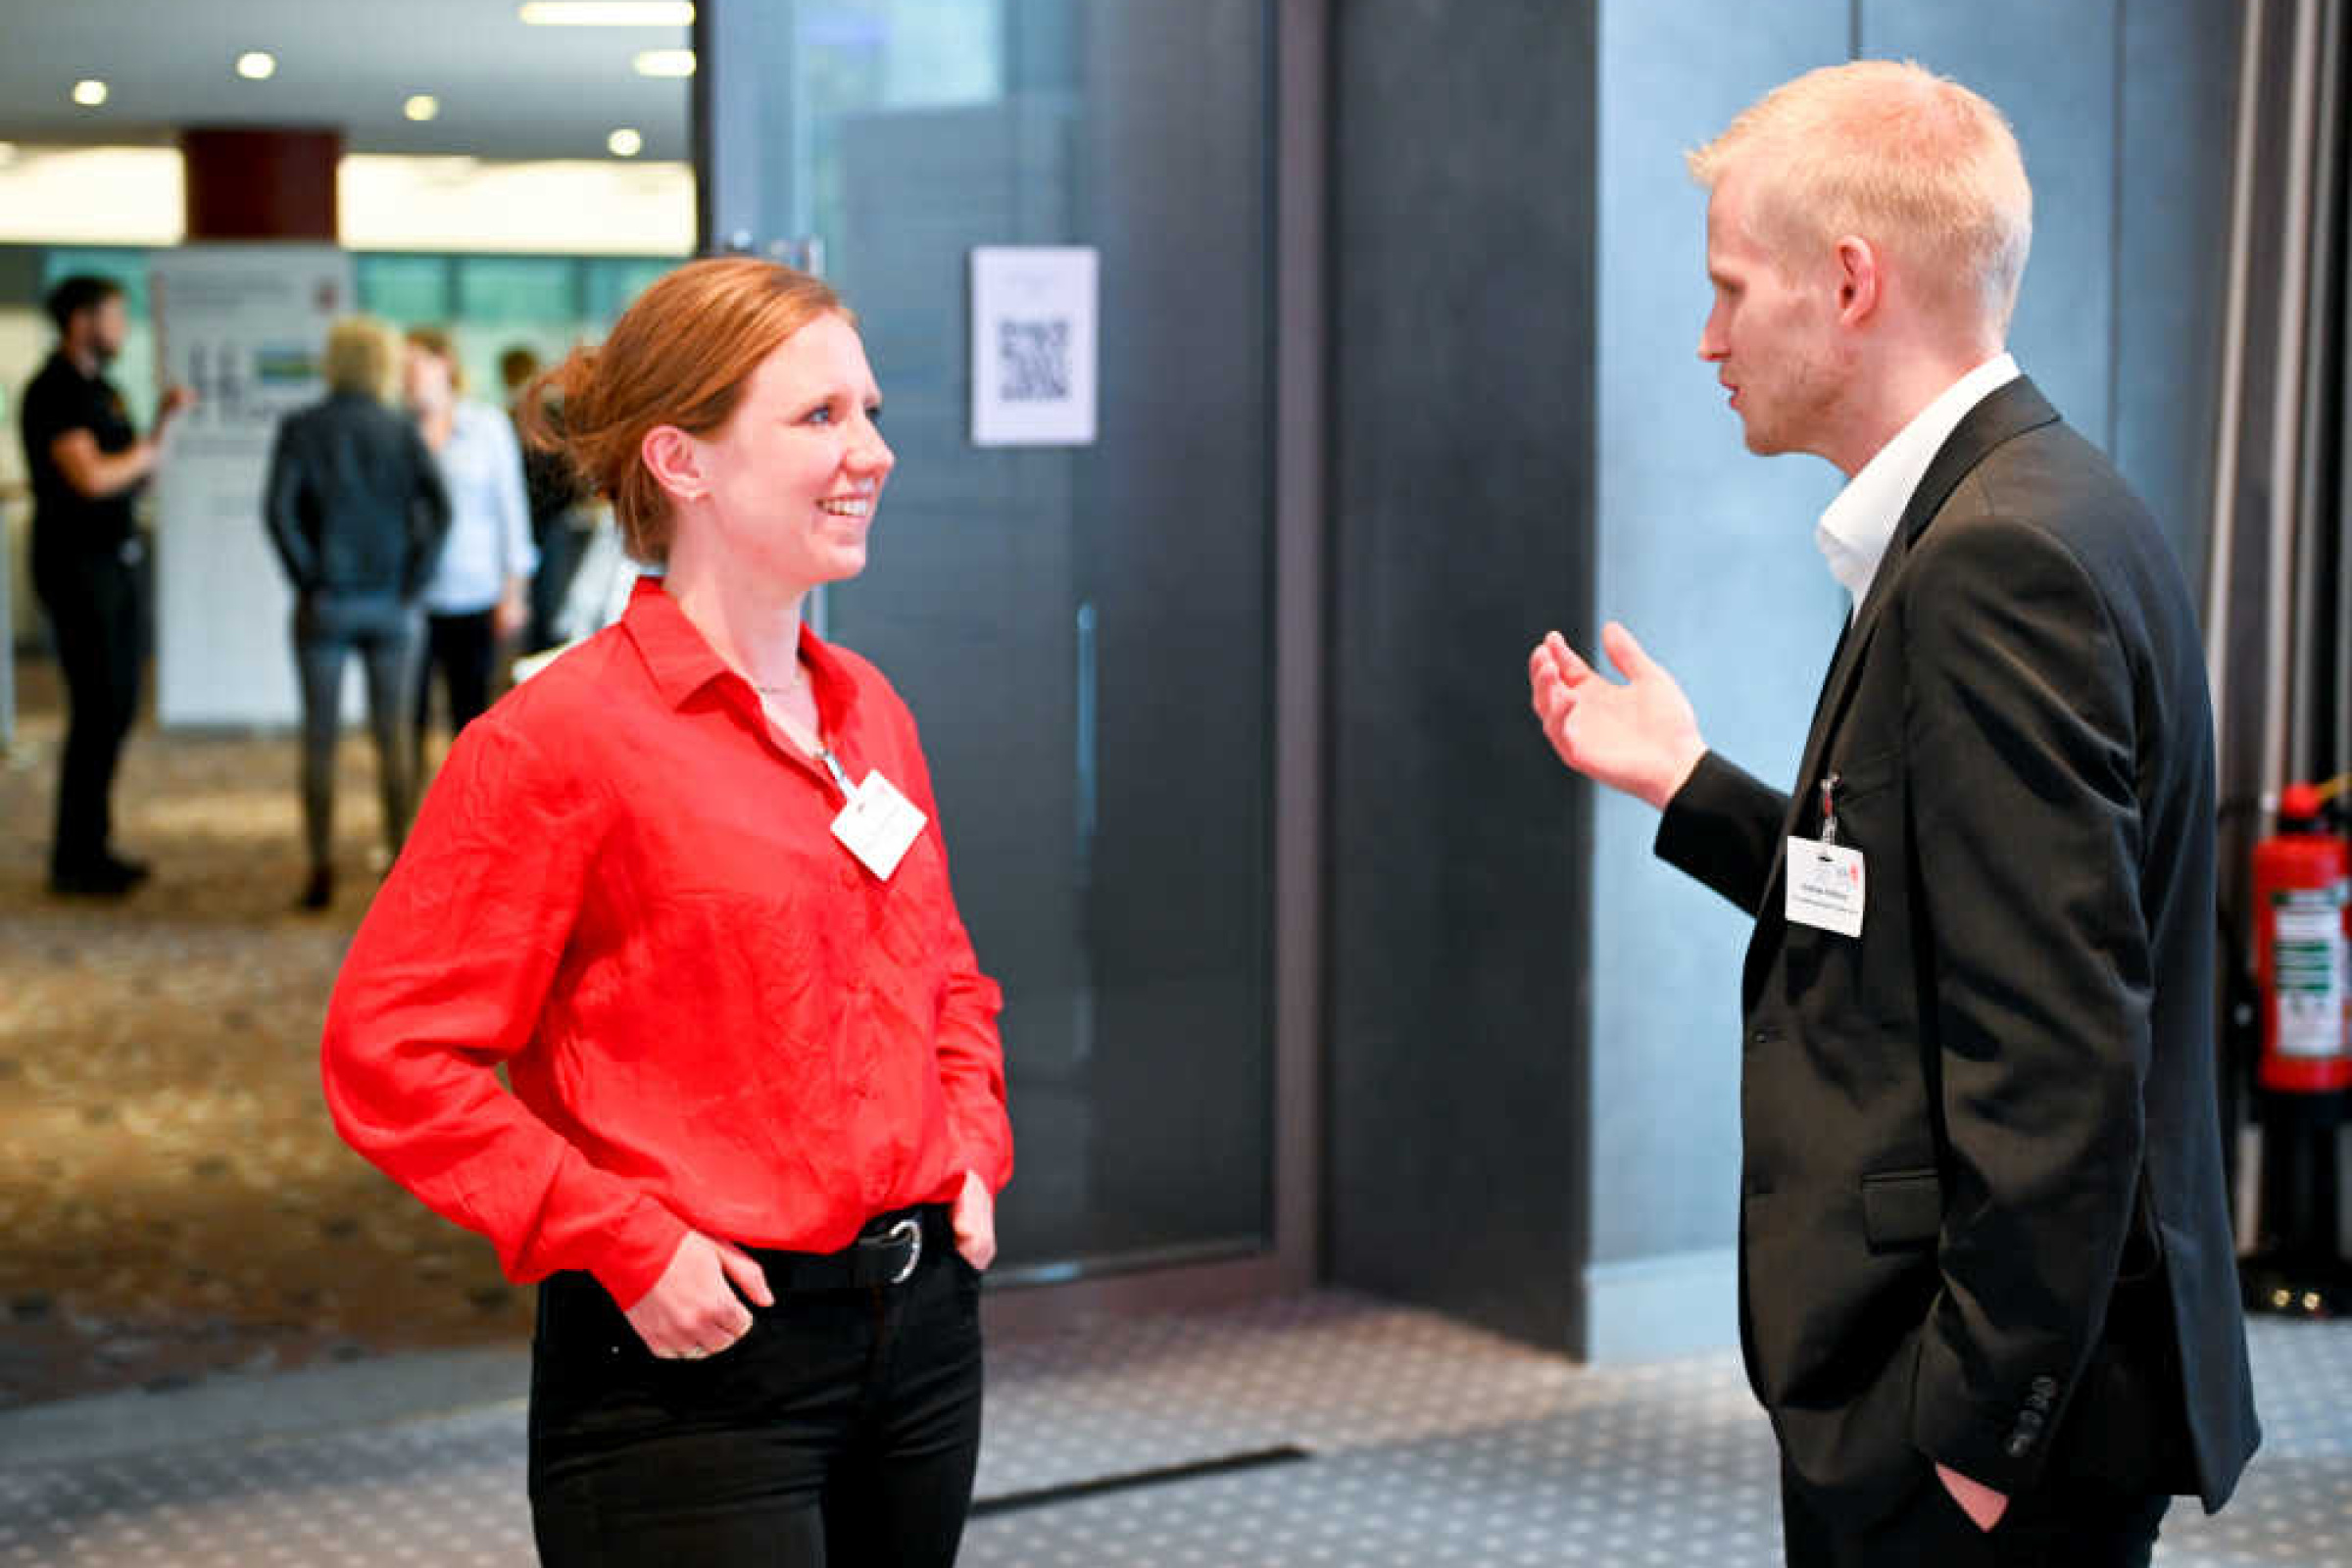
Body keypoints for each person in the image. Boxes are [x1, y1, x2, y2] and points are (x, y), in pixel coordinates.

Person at [1527, 61, 2259, 1566]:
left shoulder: (1998, 564)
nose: (1709, 336)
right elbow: (1913, 905)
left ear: (1851, 282)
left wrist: (1971, 1449)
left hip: (1992, 1443)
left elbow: (2059, 1051)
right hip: (2009, 1418)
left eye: (1734, 288)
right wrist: (1690, 783)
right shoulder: (2031, 506)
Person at [321, 257, 1012, 1566]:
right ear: (681, 462)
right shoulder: (558, 741)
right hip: (687, 1365)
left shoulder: (870, 710)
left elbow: (946, 980)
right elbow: (392, 1055)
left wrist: (972, 1138)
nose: (872, 452)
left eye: (868, 412)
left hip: (920, 1351)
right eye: (819, 419)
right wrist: (621, 1240)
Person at [263, 316, 453, 910]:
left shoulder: (301, 428)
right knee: (393, 736)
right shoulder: (401, 430)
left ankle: (319, 866)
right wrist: (413, 579)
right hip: (391, 604)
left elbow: (278, 512)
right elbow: (440, 511)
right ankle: (398, 861)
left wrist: (307, 576)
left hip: (324, 603)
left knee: (318, 738)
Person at [17, 274, 192, 897]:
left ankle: (92, 844)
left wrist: (162, 427)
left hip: (114, 563)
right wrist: (144, 455)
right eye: (114, 315)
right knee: (95, 708)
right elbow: (91, 478)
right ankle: (74, 858)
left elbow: (131, 471)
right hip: (76, 567)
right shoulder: (55, 391)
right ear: (81, 321)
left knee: (115, 706)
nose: (122, 327)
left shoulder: (105, 392)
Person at [403, 327, 533, 767]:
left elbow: (510, 508)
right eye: (402, 366)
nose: (408, 375)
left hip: (476, 594)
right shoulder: (398, 432)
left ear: (446, 363)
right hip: (411, 598)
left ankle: (464, 824)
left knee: (471, 718)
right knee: (410, 720)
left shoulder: (486, 427)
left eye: (415, 363)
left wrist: (514, 591)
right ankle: (411, 823)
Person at [500, 344, 598, 653]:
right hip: (542, 515)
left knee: (549, 597)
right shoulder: (514, 415)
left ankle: (543, 651)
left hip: (551, 516)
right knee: (544, 597)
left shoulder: (548, 414)